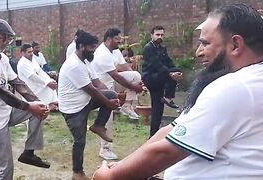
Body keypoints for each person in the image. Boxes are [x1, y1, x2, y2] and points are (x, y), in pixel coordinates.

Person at [93, 3, 263, 179]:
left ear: (235, 44)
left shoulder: (234, 88)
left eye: (205, 43)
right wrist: (123, 165)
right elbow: (170, 130)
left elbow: (165, 152)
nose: (199, 52)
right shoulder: (247, 81)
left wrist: (110, 176)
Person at [0, 19, 51, 179]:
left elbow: (17, 82)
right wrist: (29, 106)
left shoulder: (2, 58)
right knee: (5, 169)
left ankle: (29, 152)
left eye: (9, 38)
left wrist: (37, 102)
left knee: (38, 111)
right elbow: (0, 92)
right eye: (3, 38)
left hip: (5, 111)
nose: (7, 42)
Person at [58, 30, 120, 180]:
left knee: (111, 94)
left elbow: (97, 82)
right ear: (80, 46)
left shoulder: (86, 60)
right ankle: (77, 172)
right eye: (91, 47)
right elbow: (91, 89)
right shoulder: (74, 65)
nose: (94, 50)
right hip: (73, 108)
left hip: (84, 100)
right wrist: (109, 104)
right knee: (80, 141)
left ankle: (98, 125)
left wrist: (115, 98)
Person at [91, 28, 144, 160]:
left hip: (113, 83)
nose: (119, 43)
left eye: (120, 40)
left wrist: (138, 83)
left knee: (135, 75)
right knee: (107, 119)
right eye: (117, 40)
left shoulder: (115, 51)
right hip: (102, 87)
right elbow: (115, 75)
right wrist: (133, 87)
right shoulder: (102, 53)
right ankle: (105, 149)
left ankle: (127, 105)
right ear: (108, 39)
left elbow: (124, 66)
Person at [142, 25, 183, 137]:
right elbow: (157, 64)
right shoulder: (148, 48)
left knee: (158, 109)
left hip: (160, 77)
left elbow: (168, 62)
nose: (160, 37)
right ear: (152, 35)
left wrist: (176, 71)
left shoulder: (162, 48)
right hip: (150, 77)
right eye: (157, 34)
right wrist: (171, 74)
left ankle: (153, 135)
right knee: (169, 74)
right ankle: (168, 97)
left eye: (162, 35)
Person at [17, 43, 58, 110]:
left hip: (38, 84)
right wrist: (46, 83)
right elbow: (33, 77)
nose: (31, 54)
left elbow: (40, 72)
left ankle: (52, 105)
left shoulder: (33, 60)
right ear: (23, 53)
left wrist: (49, 80)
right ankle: (49, 107)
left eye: (32, 51)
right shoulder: (22, 63)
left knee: (52, 82)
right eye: (29, 52)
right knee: (48, 87)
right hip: (30, 88)